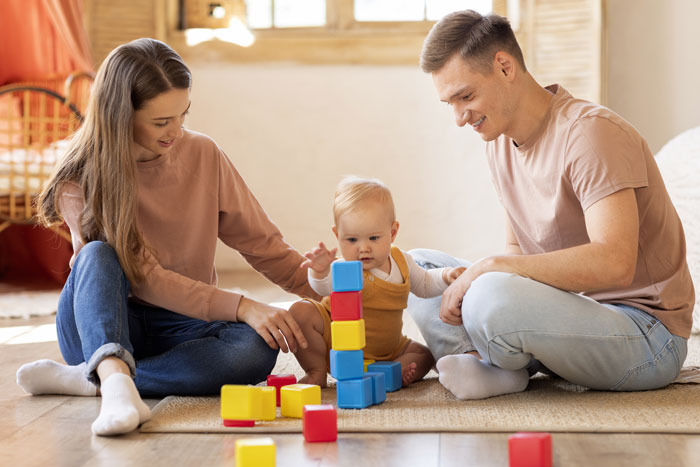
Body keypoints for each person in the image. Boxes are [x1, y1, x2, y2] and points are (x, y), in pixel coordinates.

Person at [15, 38, 319, 436]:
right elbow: (146, 278)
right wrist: (243, 305)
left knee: (257, 349)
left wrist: (325, 288)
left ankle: (100, 381)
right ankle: (108, 369)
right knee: (97, 255)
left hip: (181, 324)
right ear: (121, 115)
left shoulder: (204, 155)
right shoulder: (82, 177)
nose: (176, 131)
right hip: (103, 324)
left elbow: (262, 243)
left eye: (182, 114)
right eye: (161, 122)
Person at [407, 10, 694, 400]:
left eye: (466, 96)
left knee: (490, 295)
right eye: (450, 104)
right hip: (568, 315)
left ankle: (496, 365)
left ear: (505, 67)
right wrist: (489, 272)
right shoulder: (500, 144)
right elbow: (516, 252)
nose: (460, 118)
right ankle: (489, 361)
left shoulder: (591, 134)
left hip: (645, 335)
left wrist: (490, 269)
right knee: (415, 266)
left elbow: (616, 262)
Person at [287, 176, 465, 387]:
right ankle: (316, 370)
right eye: (352, 240)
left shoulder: (402, 261)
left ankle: (395, 373)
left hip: (388, 349)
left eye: (373, 238)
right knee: (300, 312)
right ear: (337, 234)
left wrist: (445, 276)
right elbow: (324, 287)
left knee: (425, 355)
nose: (363, 248)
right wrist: (320, 271)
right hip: (337, 343)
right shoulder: (343, 268)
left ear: (392, 232)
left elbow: (425, 283)